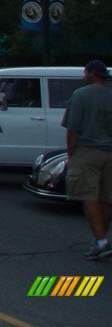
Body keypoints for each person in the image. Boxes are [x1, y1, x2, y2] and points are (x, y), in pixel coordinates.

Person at [61, 59, 112, 260]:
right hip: (110, 151)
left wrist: (71, 154)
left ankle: (100, 241)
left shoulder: (81, 95)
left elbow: (72, 129)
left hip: (87, 150)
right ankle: (101, 238)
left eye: (85, 73)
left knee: (88, 194)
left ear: (91, 73)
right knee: (107, 197)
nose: (84, 76)